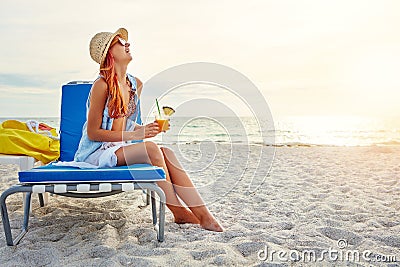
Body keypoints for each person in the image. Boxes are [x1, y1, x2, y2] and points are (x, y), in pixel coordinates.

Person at [74, 28, 223, 232]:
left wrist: (147, 129)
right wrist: (135, 135)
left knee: (166, 152)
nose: (127, 44)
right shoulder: (100, 86)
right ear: (109, 53)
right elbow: (93, 133)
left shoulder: (135, 85)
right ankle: (178, 212)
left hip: (120, 148)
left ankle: (205, 215)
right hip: (96, 153)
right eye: (120, 42)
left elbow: (126, 124)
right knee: (152, 150)